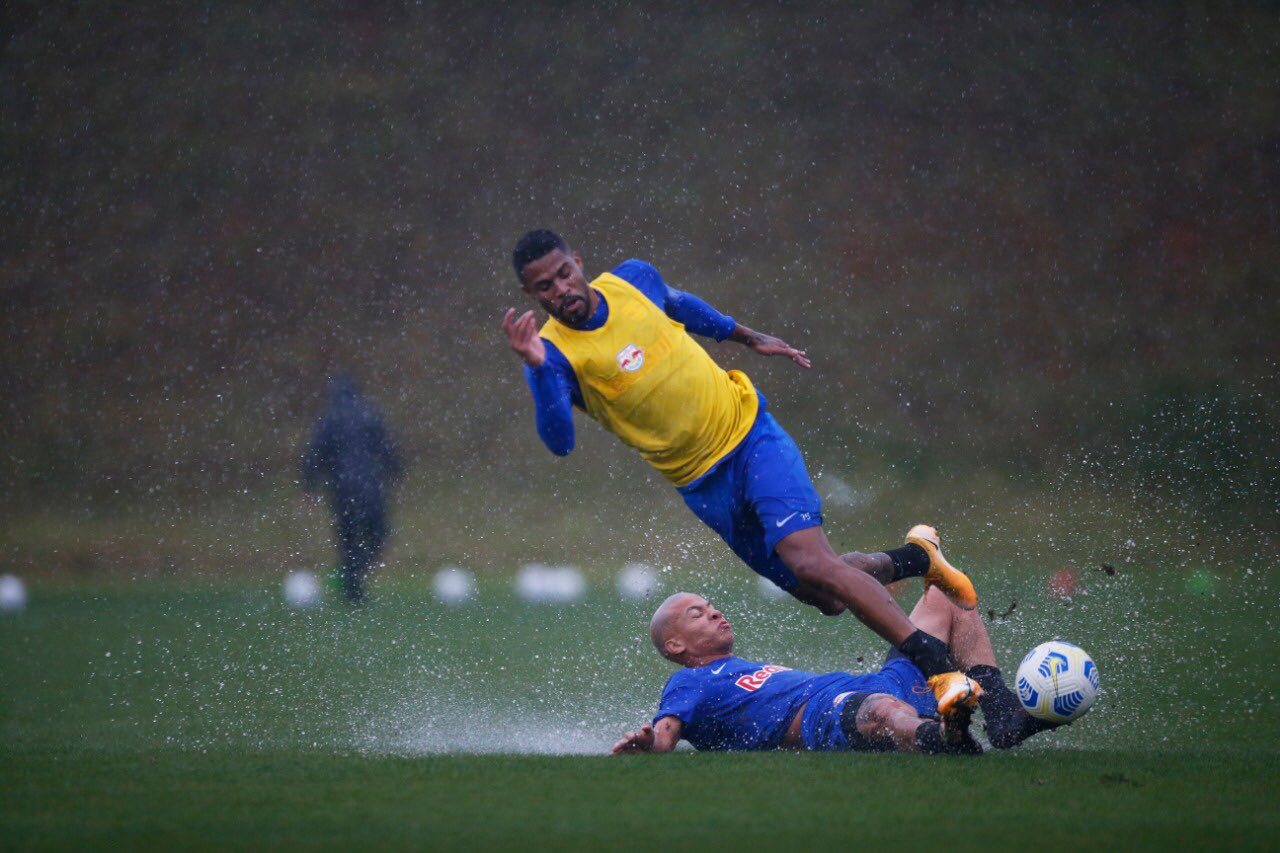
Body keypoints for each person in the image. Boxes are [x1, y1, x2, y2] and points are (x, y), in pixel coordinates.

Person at [501, 229, 975, 681]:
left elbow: (678, 304)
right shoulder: (552, 357)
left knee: (812, 562)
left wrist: (745, 337)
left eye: (565, 273)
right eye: (545, 287)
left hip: (750, 436)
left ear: (578, 262)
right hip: (704, 487)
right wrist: (539, 369)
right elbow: (560, 443)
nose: (561, 289)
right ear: (531, 295)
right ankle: (915, 558)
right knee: (825, 595)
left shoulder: (632, 279)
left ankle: (936, 664)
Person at [611, 587, 1062, 755]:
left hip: (869, 684)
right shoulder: (688, 681)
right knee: (885, 710)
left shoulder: (735, 667)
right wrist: (650, 742)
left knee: (947, 597)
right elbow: (665, 734)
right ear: (675, 645)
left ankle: (1001, 715)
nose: (714, 613)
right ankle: (940, 737)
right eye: (697, 614)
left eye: (712, 606)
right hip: (823, 713)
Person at [301, 376, 403, 604]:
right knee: (378, 535)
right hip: (371, 486)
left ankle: (351, 582)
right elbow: (387, 448)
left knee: (348, 539)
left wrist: (309, 486)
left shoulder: (328, 419)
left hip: (342, 489)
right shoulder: (369, 415)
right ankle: (354, 578)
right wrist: (396, 473)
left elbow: (315, 454)